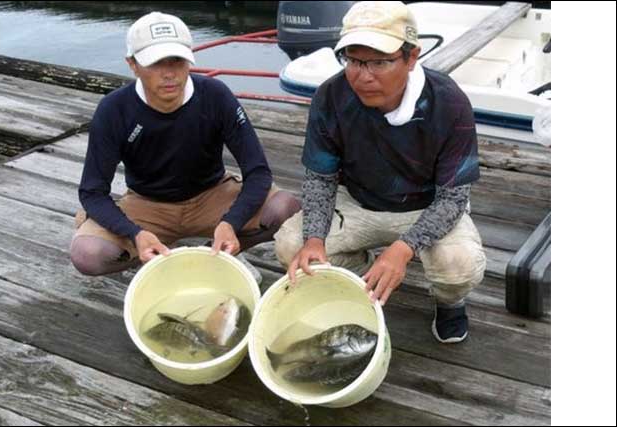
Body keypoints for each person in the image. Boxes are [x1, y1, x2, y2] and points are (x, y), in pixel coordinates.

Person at [274, 1, 486, 343]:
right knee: (290, 245)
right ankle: (360, 274)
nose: (364, 75)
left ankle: (450, 303)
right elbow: (320, 177)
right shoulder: (330, 95)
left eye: (380, 61)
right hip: (358, 201)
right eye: (355, 60)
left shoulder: (448, 102)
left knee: (458, 265)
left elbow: (453, 197)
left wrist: (404, 249)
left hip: (426, 205)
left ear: (411, 57)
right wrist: (314, 238)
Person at [70, 12, 300, 280]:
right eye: (155, 63)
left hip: (212, 193)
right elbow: (93, 192)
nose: (169, 74)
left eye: (177, 61)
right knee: (87, 253)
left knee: (285, 208)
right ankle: (156, 252)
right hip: (148, 203)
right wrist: (135, 233)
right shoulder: (113, 110)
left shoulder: (215, 95)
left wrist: (231, 222)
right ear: (132, 64)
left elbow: (258, 172)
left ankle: (217, 255)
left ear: (189, 58)